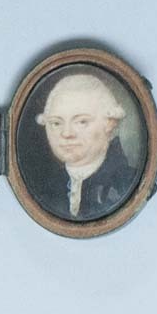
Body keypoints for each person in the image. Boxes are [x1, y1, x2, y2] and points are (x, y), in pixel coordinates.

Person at [35, 74, 136, 221]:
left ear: (110, 123)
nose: (67, 133)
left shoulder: (125, 182)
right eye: (56, 123)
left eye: (82, 122)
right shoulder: (44, 187)